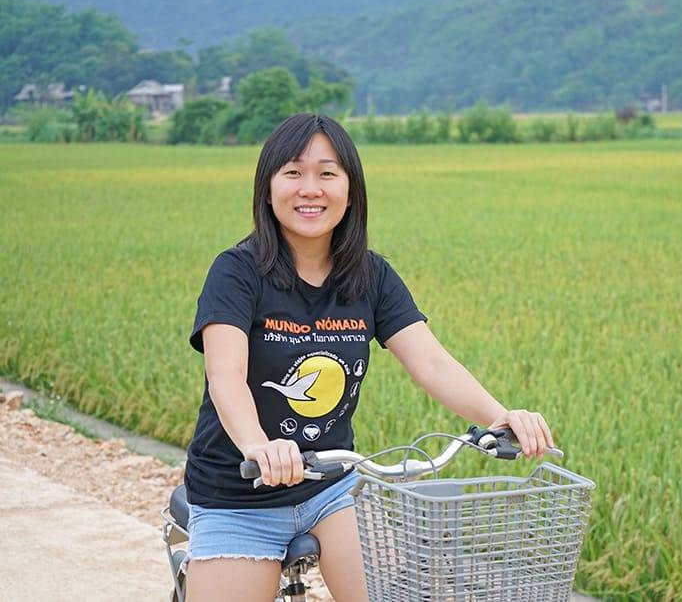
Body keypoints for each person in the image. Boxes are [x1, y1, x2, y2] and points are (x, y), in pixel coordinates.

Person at [183, 113, 554, 602]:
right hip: (237, 493)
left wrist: (499, 417)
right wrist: (258, 446)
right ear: (267, 189)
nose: (309, 189)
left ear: (350, 190)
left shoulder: (370, 276)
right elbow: (226, 376)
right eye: (293, 173)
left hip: (332, 489)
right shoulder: (237, 272)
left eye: (327, 174)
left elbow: (432, 362)